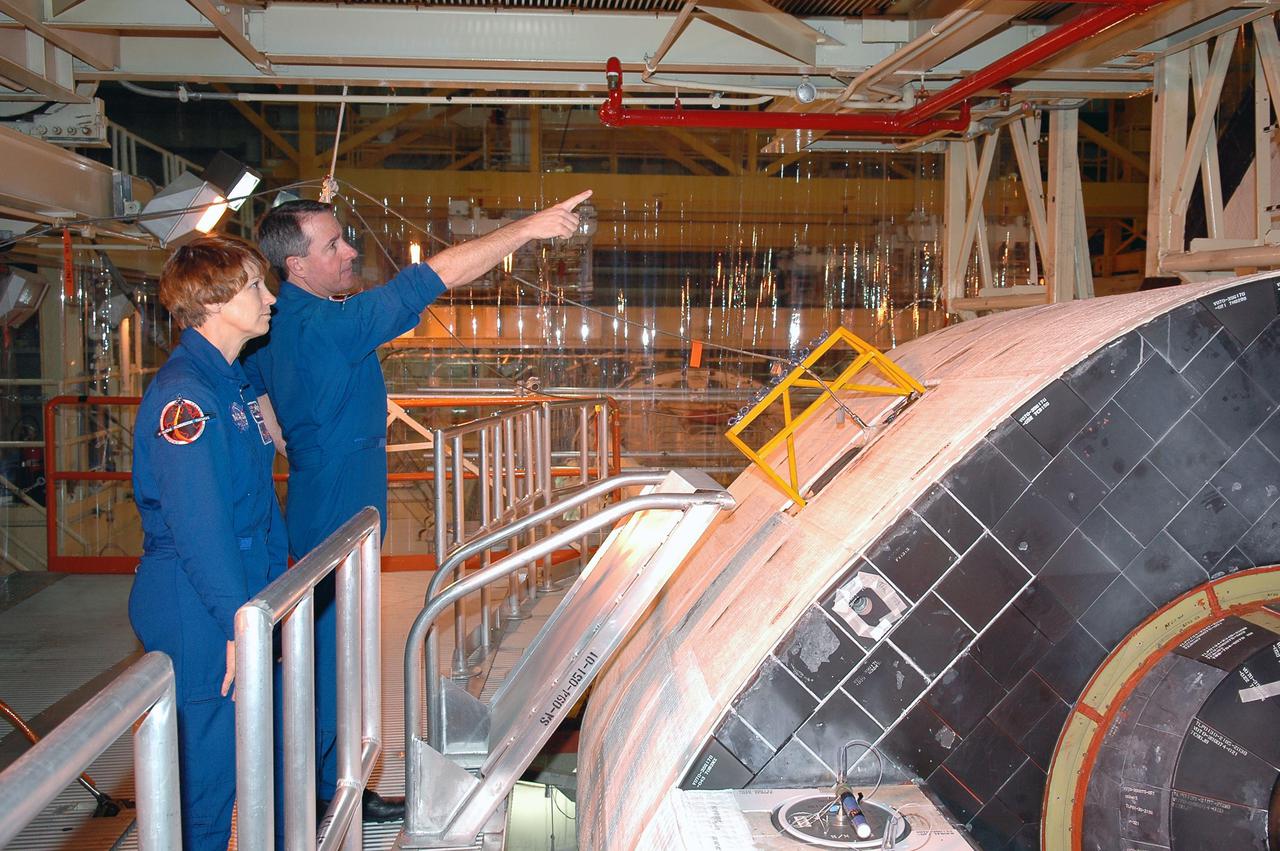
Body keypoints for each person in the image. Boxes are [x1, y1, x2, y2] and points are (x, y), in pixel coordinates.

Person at [242, 190, 591, 821]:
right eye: (334, 245)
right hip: (337, 506)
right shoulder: (330, 325)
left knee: (333, 652)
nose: (350, 252)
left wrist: (299, 441)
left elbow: (259, 403)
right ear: (296, 267)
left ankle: (329, 782)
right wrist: (527, 228)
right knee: (328, 655)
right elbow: (435, 276)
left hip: (323, 490)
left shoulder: (278, 327)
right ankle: (314, 796)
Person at [129, 235, 287, 851]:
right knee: (203, 780)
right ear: (216, 301)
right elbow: (198, 526)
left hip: (237, 586)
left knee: (244, 757)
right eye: (254, 287)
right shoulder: (186, 397)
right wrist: (233, 623)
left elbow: (259, 502)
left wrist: (274, 593)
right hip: (197, 600)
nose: (268, 297)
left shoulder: (231, 382)